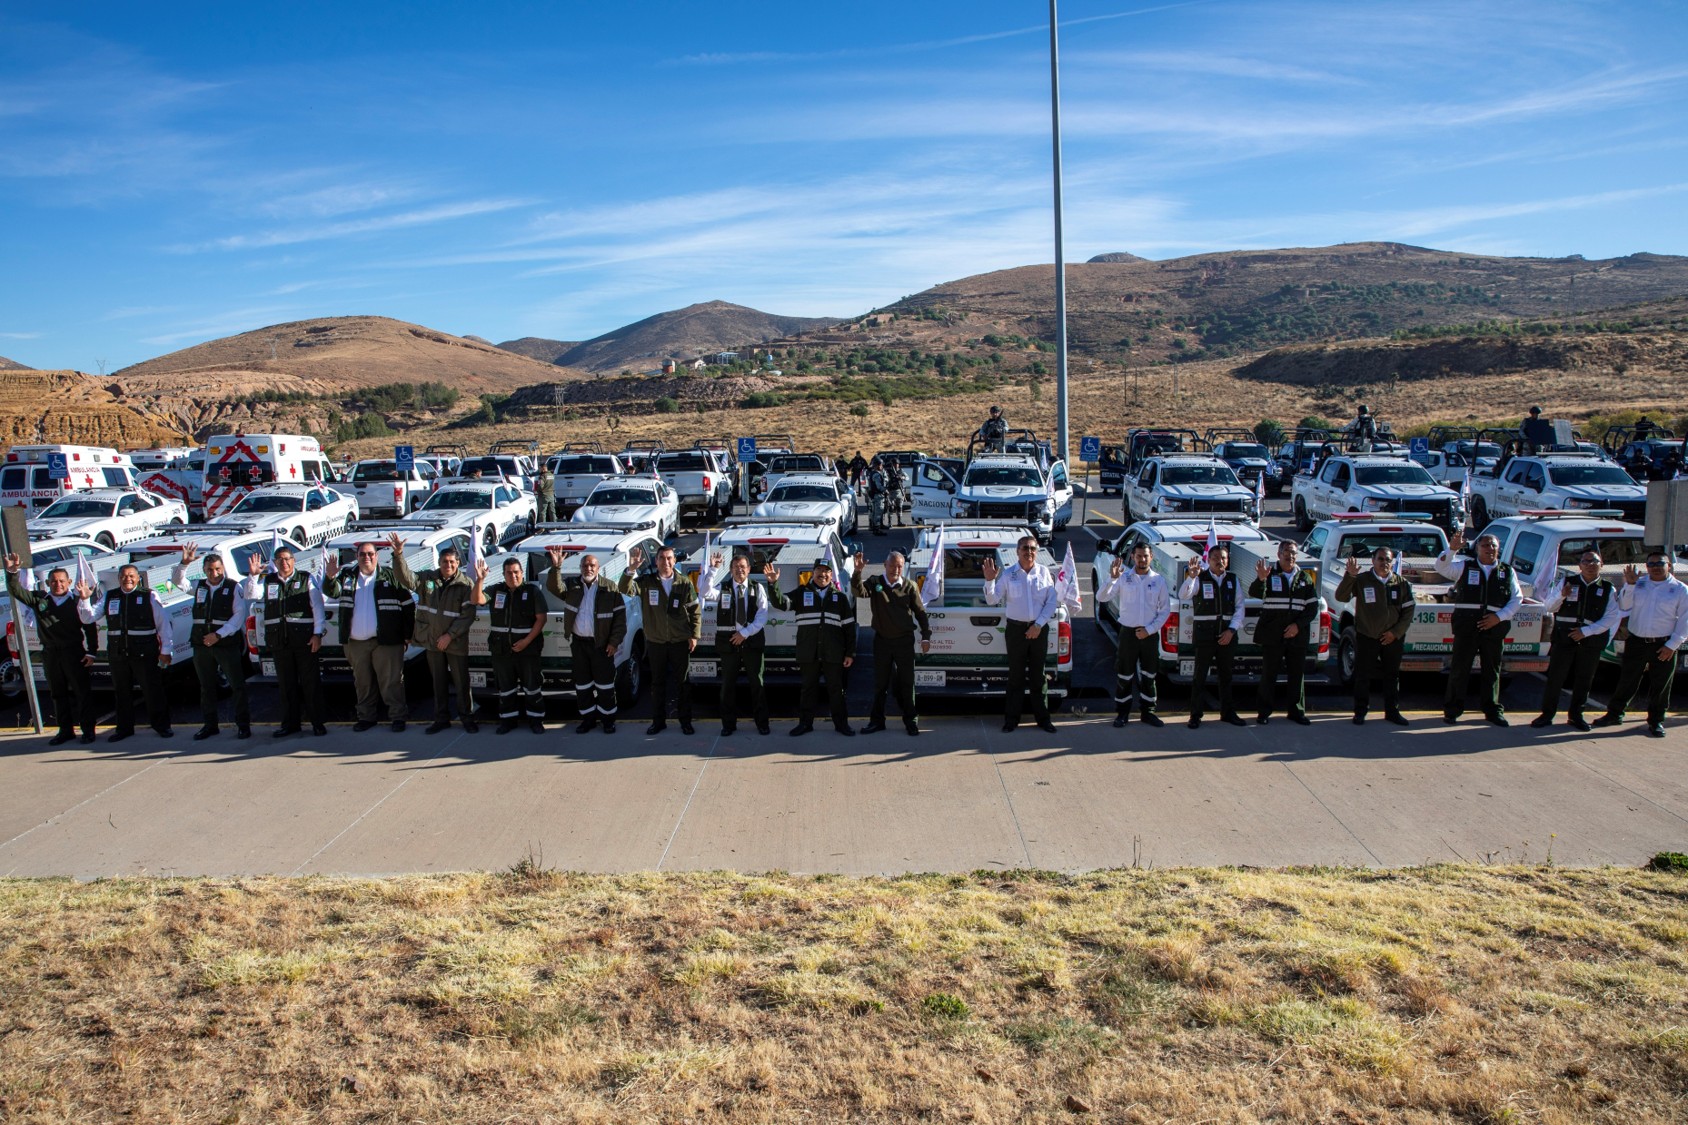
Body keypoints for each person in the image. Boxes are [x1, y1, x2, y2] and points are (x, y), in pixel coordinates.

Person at [4, 553, 99, 744]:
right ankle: (65, 731)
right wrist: (12, 571)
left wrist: (92, 652)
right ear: (47, 583)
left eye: (62, 581)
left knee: (82, 693)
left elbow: (90, 627)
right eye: (54, 581)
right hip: (51, 653)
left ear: (69, 581)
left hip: (74, 653)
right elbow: (16, 591)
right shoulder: (39, 600)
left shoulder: (77, 602)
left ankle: (88, 730)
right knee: (57, 693)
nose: (58, 584)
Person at [1593, 552, 1688, 738]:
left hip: (1663, 643)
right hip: (1636, 641)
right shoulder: (1639, 584)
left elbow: (1686, 620)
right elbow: (1623, 606)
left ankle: (1656, 721)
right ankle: (1614, 714)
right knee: (1627, 680)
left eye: (1660, 563)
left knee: (1661, 685)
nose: (1655, 567)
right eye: (1651, 564)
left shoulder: (1680, 590)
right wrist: (1629, 584)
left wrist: (1672, 645)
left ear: (1669, 565)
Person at [322, 538, 412, 732]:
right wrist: (329, 577)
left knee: (391, 682)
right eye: (362, 554)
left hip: (387, 642)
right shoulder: (347, 575)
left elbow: (407, 606)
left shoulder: (390, 575)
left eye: (370, 554)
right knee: (362, 683)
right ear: (357, 557)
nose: (366, 557)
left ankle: (397, 717)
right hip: (356, 643)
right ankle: (366, 717)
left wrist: (407, 635)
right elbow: (333, 592)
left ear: (377, 556)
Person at [391, 536, 478, 735]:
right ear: (439, 563)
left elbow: (468, 615)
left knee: (462, 682)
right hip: (432, 641)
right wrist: (398, 556)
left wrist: (449, 635)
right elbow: (405, 577)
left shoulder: (466, 585)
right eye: (444, 561)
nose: (448, 565)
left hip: (454, 642)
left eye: (452, 562)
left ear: (458, 564)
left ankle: (467, 718)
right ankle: (441, 719)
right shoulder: (427, 579)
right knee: (438, 683)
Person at [1434, 530, 1521, 726]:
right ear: (1477, 549)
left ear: (1498, 549)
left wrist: (1498, 618)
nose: (1489, 549)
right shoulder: (1465, 567)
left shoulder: (1507, 571)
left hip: (1494, 628)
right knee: (1459, 669)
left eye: (1493, 546)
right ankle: (1452, 710)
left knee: (1492, 671)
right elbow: (1441, 567)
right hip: (1467, 628)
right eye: (1485, 545)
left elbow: (1517, 599)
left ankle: (1492, 711)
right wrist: (1452, 549)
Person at [242, 545, 327, 738]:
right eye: (280, 559)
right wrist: (253, 576)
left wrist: (317, 634)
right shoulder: (269, 580)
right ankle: (290, 724)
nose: (284, 562)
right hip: (279, 642)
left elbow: (318, 609)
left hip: (305, 641)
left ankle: (317, 723)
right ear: (275, 562)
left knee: (310, 684)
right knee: (286, 685)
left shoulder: (306, 579)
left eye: (287, 558)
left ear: (294, 560)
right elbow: (251, 595)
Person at [1532, 550, 1621, 732]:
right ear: (1579, 565)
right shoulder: (1567, 582)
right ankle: (1547, 714)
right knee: (1556, 678)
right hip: (1564, 639)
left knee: (1584, 679)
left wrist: (1586, 632)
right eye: (1586, 561)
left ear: (1601, 565)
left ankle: (1576, 716)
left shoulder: (1607, 588)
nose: (1590, 565)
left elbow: (1611, 617)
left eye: (1594, 561)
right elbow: (1548, 606)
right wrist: (1561, 595)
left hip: (1590, 641)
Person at [619, 544, 702, 735]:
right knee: (657, 684)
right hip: (656, 642)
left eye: (669, 558)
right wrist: (631, 569)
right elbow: (625, 589)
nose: (666, 562)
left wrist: (694, 635)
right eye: (662, 558)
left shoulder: (683, 583)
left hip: (679, 641)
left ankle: (685, 721)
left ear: (674, 560)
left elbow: (694, 610)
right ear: (656, 561)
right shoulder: (647, 582)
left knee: (683, 683)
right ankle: (658, 721)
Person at [981, 536, 1059, 734]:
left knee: (1038, 677)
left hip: (1039, 630)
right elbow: (992, 600)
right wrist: (989, 581)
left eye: (1033, 548)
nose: (1029, 552)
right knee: (1015, 676)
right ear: (1017, 551)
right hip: (1016, 631)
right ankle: (1011, 720)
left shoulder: (1044, 574)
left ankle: (1043, 719)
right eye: (1025, 548)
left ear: (1037, 551)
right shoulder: (1008, 574)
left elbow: (1051, 602)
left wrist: (1038, 625)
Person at [851, 550, 931, 735]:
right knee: (880, 685)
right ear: (885, 565)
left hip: (904, 642)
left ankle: (911, 720)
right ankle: (877, 721)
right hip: (882, 642)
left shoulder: (910, 586)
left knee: (907, 683)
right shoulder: (875, 582)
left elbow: (920, 613)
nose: (896, 569)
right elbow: (858, 592)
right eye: (893, 565)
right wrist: (857, 573)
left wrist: (926, 635)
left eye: (900, 566)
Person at [546, 548, 626, 734]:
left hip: (602, 646)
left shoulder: (609, 587)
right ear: (580, 567)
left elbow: (620, 620)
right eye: (585, 565)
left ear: (598, 568)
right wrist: (556, 567)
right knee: (582, 685)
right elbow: (553, 587)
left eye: (592, 565)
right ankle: (588, 720)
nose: (588, 568)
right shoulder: (572, 586)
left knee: (605, 685)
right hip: (579, 645)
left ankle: (608, 721)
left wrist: (614, 642)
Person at [1335, 548, 1415, 726]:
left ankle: (1392, 712)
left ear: (1392, 562)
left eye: (1388, 560)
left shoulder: (1400, 583)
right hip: (1367, 636)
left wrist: (1395, 633)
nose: (1384, 563)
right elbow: (1340, 596)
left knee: (1392, 676)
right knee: (1363, 676)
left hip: (1392, 638)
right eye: (1380, 559)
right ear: (1372, 560)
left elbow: (1409, 611)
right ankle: (1360, 711)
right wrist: (1350, 576)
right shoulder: (1362, 580)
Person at [707, 551, 784, 735]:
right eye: (735, 567)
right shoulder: (722, 588)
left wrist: (744, 633)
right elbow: (704, 591)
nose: (739, 570)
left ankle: (762, 723)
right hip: (729, 645)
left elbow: (762, 616)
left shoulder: (758, 588)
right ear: (730, 570)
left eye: (742, 567)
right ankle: (728, 725)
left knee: (757, 684)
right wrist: (712, 570)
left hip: (752, 643)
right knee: (727, 686)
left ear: (749, 569)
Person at [98, 562, 175, 742]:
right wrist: (85, 599)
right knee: (122, 692)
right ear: (118, 579)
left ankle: (162, 726)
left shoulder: (148, 595)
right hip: (118, 654)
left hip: (144, 653)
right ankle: (124, 729)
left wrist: (166, 650)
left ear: (138, 578)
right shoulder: (110, 596)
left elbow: (163, 625)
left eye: (131, 576)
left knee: (152, 690)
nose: (128, 579)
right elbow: (88, 616)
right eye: (124, 576)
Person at [1097, 543, 1170, 728]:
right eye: (1138, 556)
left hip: (1149, 633)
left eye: (1145, 556)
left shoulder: (1159, 581)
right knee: (1124, 675)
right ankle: (1122, 713)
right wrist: (1111, 579)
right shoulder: (1124, 578)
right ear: (1133, 558)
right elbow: (1101, 597)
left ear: (1151, 557)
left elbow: (1164, 611)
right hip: (1128, 633)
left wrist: (1150, 630)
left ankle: (1148, 712)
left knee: (1149, 674)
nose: (1142, 559)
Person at [473, 556, 546, 734]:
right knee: (506, 688)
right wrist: (480, 580)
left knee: (532, 686)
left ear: (522, 573)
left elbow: (541, 619)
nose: (513, 576)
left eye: (516, 572)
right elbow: (477, 600)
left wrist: (526, 641)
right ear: (503, 574)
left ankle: (536, 720)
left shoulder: (532, 591)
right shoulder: (497, 590)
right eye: (509, 573)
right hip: (502, 651)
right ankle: (508, 720)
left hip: (527, 649)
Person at [786, 558, 856, 737]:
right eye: (819, 570)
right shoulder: (801, 593)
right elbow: (781, 603)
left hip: (833, 654)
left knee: (836, 690)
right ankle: (805, 724)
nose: (822, 574)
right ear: (813, 572)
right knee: (808, 689)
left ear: (831, 575)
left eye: (826, 571)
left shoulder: (839, 597)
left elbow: (849, 628)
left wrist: (850, 653)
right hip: (809, 653)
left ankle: (841, 724)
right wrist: (772, 584)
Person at [1179, 545, 1247, 729]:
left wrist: (1231, 631)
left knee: (1226, 676)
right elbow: (1184, 594)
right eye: (1216, 557)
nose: (1220, 561)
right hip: (1205, 636)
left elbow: (1240, 607)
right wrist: (1191, 576)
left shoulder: (1233, 580)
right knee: (1199, 676)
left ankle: (1228, 713)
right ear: (1208, 560)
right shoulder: (1199, 578)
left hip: (1227, 635)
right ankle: (1195, 715)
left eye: (1223, 557)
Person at [1251, 540, 1317, 725]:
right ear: (1279, 555)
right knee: (1269, 675)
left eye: (1294, 553)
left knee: (1297, 676)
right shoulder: (1271, 574)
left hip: (1297, 636)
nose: (1291, 556)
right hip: (1273, 635)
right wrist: (1261, 579)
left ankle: (1296, 712)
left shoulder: (1305, 578)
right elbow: (1255, 592)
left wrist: (1297, 626)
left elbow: (1312, 609)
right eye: (1287, 553)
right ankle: (1263, 712)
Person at [866, 459, 889, 536]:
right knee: (878, 512)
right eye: (881, 465)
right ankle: (877, 529)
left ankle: (875, 527)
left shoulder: (872, 473)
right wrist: (885, 490)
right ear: (877, 465)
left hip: (874, 495)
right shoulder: (877, 474)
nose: (882, 466)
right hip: (878, 496)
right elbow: (878, 486)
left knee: (875, 512)